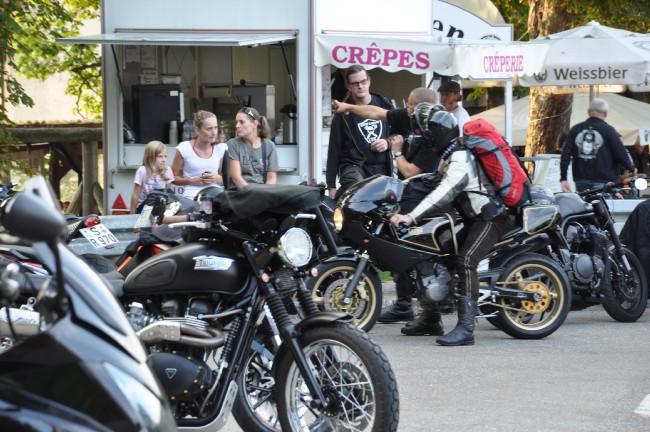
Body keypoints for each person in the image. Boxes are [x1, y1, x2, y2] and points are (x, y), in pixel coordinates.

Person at [389, 105, 513, 346]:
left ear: (436, 136)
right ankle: (431, 318)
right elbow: (431, 182)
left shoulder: (460, 158)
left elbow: (444, 193)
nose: (425, 138)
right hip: (472, 217)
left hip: (491, 218)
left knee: (466, 261)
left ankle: (466, 328)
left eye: (427, 134)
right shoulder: (450, 154)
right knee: (436, 254)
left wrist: (411, 217)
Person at [333, 87, 442, 326]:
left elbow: (411, 172)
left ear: (421, 107)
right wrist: (348, 107)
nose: (406, 108)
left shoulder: (434, 131)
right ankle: (406, 305)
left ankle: (428, 311)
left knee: (419, 252)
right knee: (397, 244)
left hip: (426, 200)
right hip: (408, 195)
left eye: (410, 104)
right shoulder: (409, 117)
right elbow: (376, 113)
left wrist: (397, 151)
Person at [326, 65, 394, 199]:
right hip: (353, 165)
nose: (360, 86)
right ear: (348, 86)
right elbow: (334, 149)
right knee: (356, 188)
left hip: (380, 166)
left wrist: (388, 142)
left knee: (380, 203)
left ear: (369, 81)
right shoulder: (343, 112)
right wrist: (331, 184)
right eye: (355, 83)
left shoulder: (384, 103)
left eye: (363, 81)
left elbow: (400, 132)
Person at [560, 98, 635, 193]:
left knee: (585, 202)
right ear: (606, 114)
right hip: (604, 180)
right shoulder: (609, 130)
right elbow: (621, 154)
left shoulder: (576, 129)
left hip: (581, 179)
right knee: (601, 202)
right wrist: (631, 168)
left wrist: (563, 178)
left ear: (588, 112)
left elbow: (565, 155)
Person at [171, 110, 227, 199]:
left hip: (216, 195)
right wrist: (191, 181)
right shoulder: (184, 148)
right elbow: (172, 178)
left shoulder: (221, 148)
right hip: (192, 195)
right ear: (197, 130)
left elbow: (227, 180)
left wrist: (216, 178)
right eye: (209, 129)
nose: (214, 132)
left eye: (216, 128)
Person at [228, 106, 279, 185]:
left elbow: (271, 178)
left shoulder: (269, 146)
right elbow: (236, 178)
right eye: (236, 122)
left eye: (242, 122)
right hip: (241, 190)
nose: (237, 126)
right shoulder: (233, 144)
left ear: (254, 124)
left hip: (262, 190)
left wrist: (267, 192)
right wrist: (251, 192)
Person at [130, 140, 174, 214]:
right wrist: (132, 215)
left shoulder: (167, 169)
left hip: (161, 206)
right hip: (145, 205)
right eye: (160, 156)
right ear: (150, 158)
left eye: (165, 156)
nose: (164, 160)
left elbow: (168, 193)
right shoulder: (142, 170)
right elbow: (135, 195)